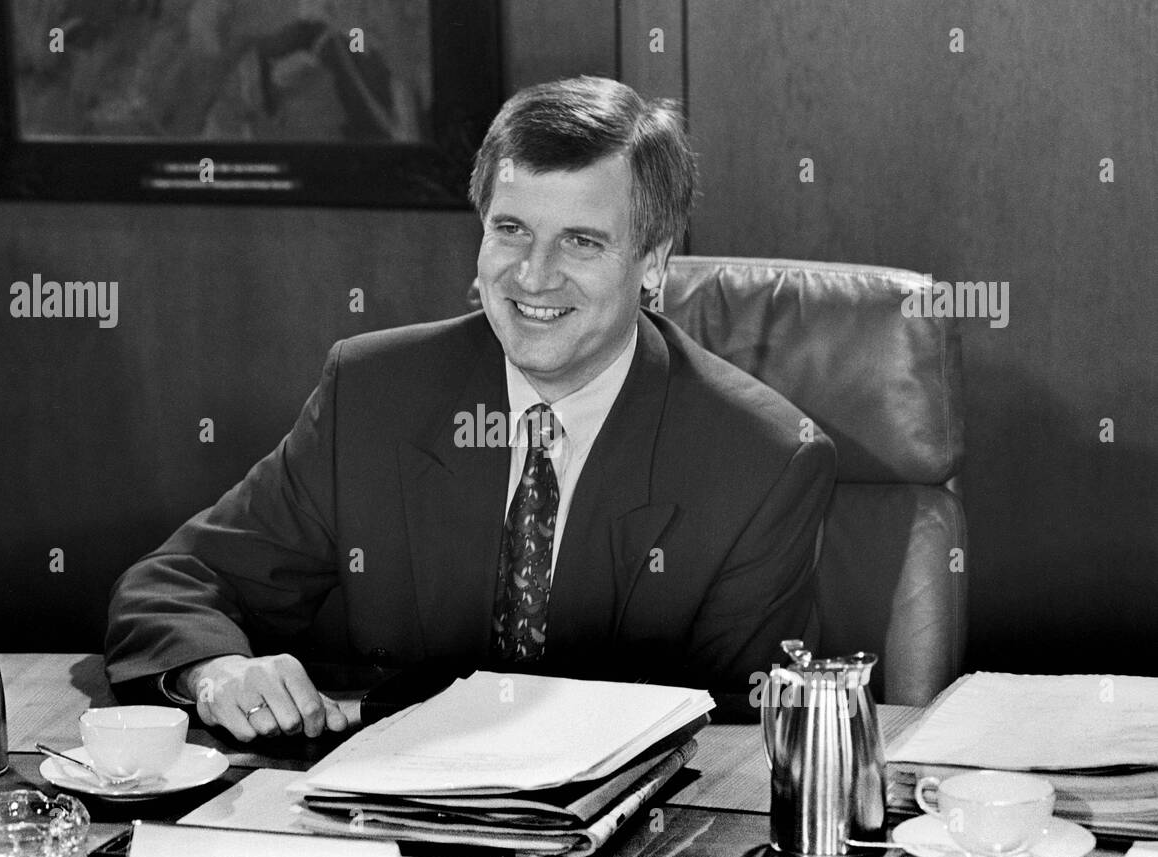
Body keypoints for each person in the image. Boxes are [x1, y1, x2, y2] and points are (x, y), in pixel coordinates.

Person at [105, 76, 836, 741]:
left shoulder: (761, 461)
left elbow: (741, 740)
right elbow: (172, 585)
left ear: (652, 262)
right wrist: (216, 673)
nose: (534, 275)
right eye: (511, 229)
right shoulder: (375, 392)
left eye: (581, 241)